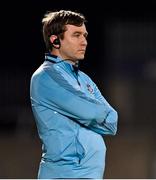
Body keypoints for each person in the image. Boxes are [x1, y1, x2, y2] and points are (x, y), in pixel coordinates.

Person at [30, 9, 118, 179]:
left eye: (84, 35)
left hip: (90, 174)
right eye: (76, 35)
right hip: (65, 174)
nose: (84, 41)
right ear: (55, 40)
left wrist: (87, 114)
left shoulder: (84, 79)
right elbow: (93, 112)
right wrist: (90, 115)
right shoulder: (46, 76)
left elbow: (112, 123)